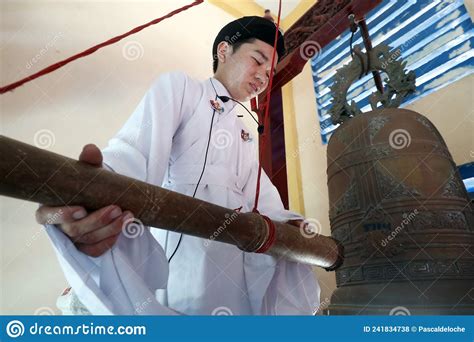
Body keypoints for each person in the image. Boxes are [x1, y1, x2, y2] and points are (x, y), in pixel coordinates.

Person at [36, 16, 320, 315]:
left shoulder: (246, 131)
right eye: (258, 60)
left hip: (231, 246)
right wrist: (94, 189)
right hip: (182, 234)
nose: (263, 76)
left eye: (270, 71)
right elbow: (133, 151)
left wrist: (287, 221)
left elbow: (258, 193)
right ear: (224, 50)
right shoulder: (181, 88)